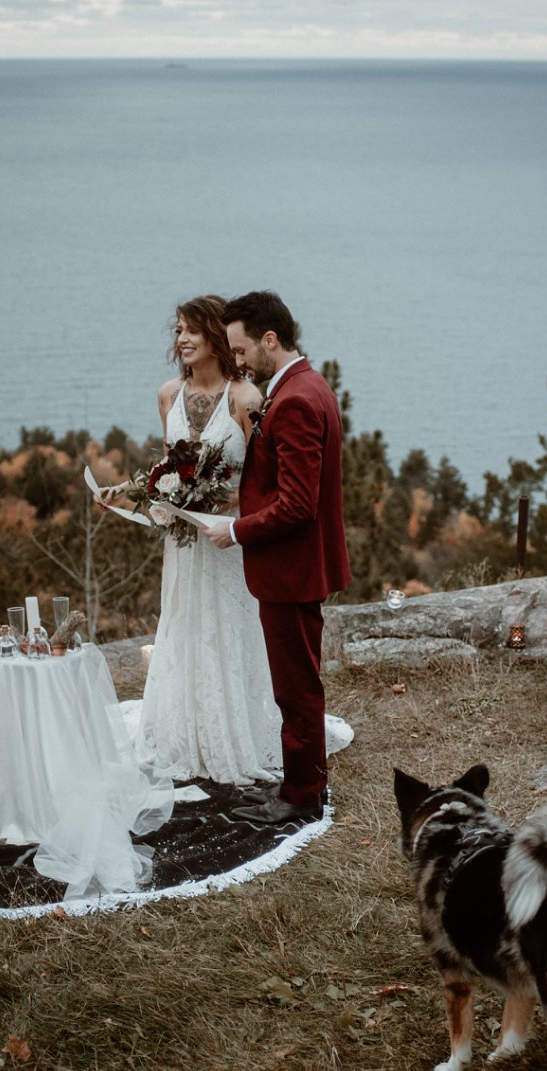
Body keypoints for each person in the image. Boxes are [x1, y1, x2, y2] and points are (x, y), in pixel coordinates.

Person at [203, 291, 351, 823]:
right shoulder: (307, 386)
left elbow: (296, 505)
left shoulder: (294, 402)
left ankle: (301, 796)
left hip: (290, 569)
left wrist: (236, 530)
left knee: (296, 688)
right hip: (297, 567)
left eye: (242, 350)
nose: (238, 362)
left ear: (270, 339)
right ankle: (302, 782)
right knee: (297, 681)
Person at [133, 296, 282, 784]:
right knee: (184, 626)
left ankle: (236, 734)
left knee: (230, 631)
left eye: (191, 330)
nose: (181, 339)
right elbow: (166, 466)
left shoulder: (245, 399)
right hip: (182, 542)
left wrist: (219, 505)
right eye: (177, 330)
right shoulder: (167, 394)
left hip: (227, 541)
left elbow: (263, 484)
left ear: (216, 335)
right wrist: (155, 495)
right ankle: (187, 734)